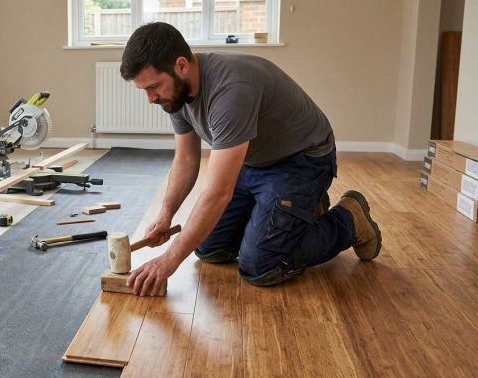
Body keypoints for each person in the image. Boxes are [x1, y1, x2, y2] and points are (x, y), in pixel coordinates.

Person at [121, 22, 381, 295]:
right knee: (209, 248)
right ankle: (295, 214)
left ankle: (349, 219)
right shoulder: (175, 93)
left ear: (181, 65)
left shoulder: (231, 89)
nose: (151, 98)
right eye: (145, 91)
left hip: (301, 161)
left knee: (260, 265)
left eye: (154, 87)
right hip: (253, 160)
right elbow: (186, 159)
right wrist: (166, 215)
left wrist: (168, 261)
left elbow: (218, 192)